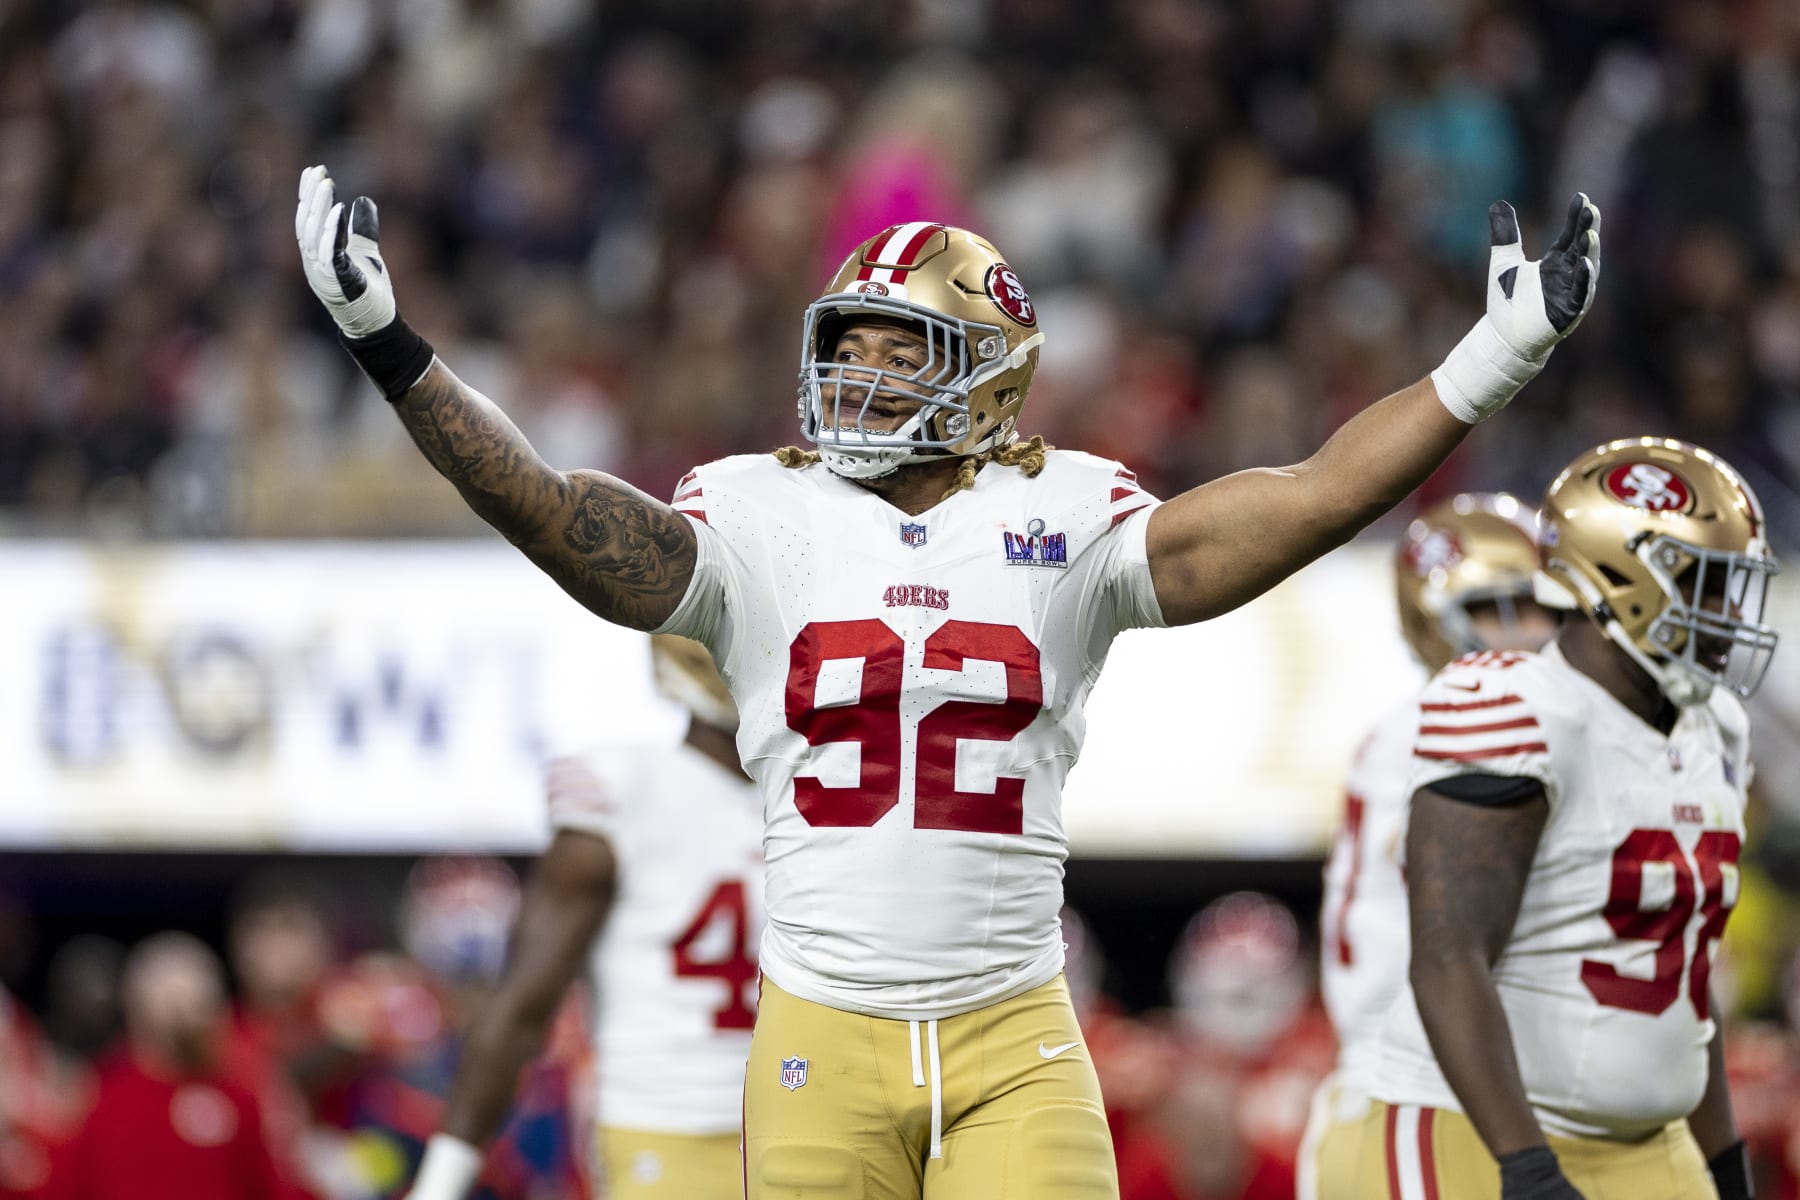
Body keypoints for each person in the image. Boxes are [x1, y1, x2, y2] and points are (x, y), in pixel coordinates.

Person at [296, 161, 1599, 1198]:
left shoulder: (1070, 516)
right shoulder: (758, 514)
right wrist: (389, 344)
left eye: (899, 348)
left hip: (1012, 1035)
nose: (857, 372)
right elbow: (549, 508)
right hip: (820, 1037)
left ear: (991, 372)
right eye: (847, 342)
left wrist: (1491, 360)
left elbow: (1310, 497)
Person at [1357, 438, 1781, 1200]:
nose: (1727, 617)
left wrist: (1724, 1161)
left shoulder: (1716, 725)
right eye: (1704, 585)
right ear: (1620, 579)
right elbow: (1448, 958)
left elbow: (1681, 975)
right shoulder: (1518, 705)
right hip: (1477, 1127)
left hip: (1650, 1140)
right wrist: (1526, 1166)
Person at [407, 634, 760, 1200]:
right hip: (670, 1128)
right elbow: (522, 1009)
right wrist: (438, 1187)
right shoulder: (625, 788)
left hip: (802, 1120)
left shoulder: (811, 790)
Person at [1299, 493, 1556, 1200]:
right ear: (1431, 621)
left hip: (1444, 1081)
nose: (1532, 632)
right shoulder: (1448, 735)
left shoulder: (1428, 729)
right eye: (1497, 609)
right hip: (1417, 1091)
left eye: (1541, 606)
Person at [53, 933, 282, 1200]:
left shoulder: (239, 1097)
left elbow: (269, 1187)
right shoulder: (99, 1100)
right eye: (175, 1004)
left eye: (198, 1003)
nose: (188, 1018)